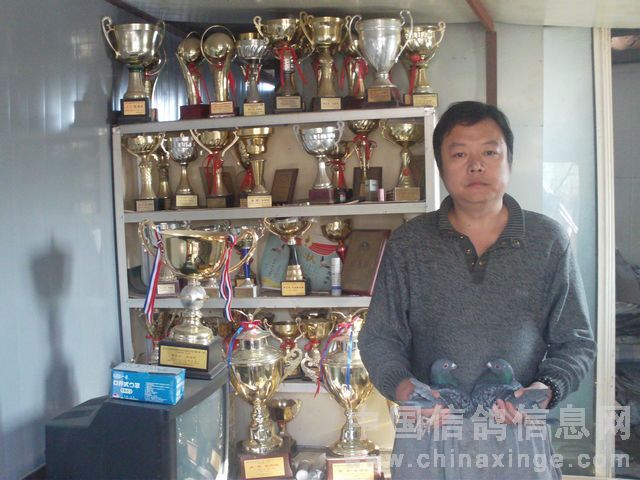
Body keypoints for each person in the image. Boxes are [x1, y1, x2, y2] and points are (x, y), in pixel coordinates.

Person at [359, 101, 596, 479]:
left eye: (489, 152)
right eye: (459, 154)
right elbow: (379, 338)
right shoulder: (409, 244)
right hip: (430, 434)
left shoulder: (548, 241)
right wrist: (405, 390)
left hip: (517, 433)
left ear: (509, 160)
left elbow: (577, 342)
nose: (475, 165)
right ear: (440, 166)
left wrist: (546, 388)